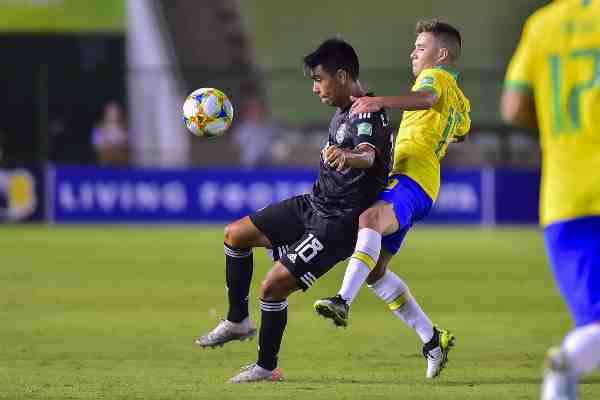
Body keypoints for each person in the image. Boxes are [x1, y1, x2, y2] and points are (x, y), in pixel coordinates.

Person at [195, 38, 393, 383]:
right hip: (313, 204)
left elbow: (368, 155)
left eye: (319, 79)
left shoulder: (367, 112)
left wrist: (348, 157)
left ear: (343, 75)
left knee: (272, 288)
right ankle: (238, 320)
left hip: (337, 224)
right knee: (235, 234)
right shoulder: (345, 111)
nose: (316, 88)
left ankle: (266, 367)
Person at [313, 21, 471, 378]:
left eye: (420, 46)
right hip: (421, 182)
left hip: (412, 178)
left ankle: (341, 300)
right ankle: (433, 339)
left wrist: (379, 100)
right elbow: (461, 129)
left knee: (368, 220)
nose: (413, 53)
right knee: (376, 271)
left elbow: (428, 98)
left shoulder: (436, 79)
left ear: (441, 54)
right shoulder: (460, 97)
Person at [500, 1, 600, 398]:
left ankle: (568, 365)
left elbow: (514, 107)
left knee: (594, 322)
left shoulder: (542, 24)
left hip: (566, 196)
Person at [233, 96, 281, 167]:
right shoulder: (242, 129)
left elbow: (280, 146)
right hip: (249, 166)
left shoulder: (272, 127)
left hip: (270, 166)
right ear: (248, 112)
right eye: (252, 109)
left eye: (258, 108)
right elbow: (236, 148)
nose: (256, 111)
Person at [91, 101, 129, 166]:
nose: (113, 115)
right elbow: (98, 146)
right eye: (110, 112)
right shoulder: (99, 129)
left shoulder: (125, 129)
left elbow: (128, 145)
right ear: (106, 113)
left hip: (122, 166)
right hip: (105, 165)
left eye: (115, 112)